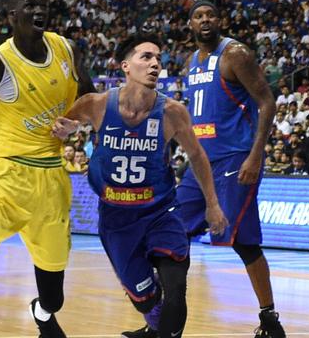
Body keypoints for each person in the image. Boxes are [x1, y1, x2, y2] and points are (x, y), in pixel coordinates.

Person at [52, 35, 228, 338]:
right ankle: (151, 319)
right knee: (145, 298)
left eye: (158, 58)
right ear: (125, 66)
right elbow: (59, 128)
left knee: (176, 290)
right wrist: (65, 128)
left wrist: (212, 205)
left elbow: (198, 155)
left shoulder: (172, 112)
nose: (155, 64)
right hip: (116, 218)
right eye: (146, 57)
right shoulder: (95, 105)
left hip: (160, 212)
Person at [0, 0, 94, 338]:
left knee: (54, 299)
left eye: (43, 3)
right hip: (7, 178)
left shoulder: (65, 48)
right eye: (30, 5)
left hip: (52, 183)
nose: (39, 9)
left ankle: (42, 315)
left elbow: (90, 99)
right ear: (12, 17)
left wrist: (75, 121)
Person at [177, 0, 282, 338]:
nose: (205, 20)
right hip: (200, 163)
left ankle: (269, 319)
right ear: (190, 24)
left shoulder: (235, 54)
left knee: (242, 242)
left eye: (210, 15)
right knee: (172, 231)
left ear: (220, 20)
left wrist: (256, 155)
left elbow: (267, 101)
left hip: (236, 158)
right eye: (198, 16)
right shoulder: (189, 62)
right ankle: (167, 311)